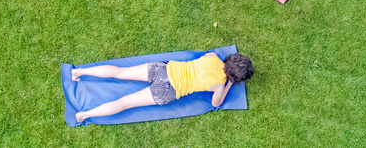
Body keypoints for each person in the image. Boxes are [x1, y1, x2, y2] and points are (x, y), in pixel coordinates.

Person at [71, 52, 254, 123]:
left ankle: (79, 72)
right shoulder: (219, 86)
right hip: (168, 90)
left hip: (164, 69)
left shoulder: (213, 56)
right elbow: (218, 103)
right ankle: (83, 115)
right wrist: (229, 82)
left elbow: (206, 57)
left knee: (120, 72)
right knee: (125, 102)